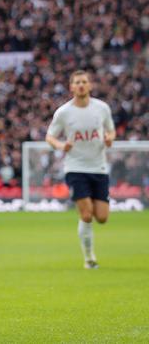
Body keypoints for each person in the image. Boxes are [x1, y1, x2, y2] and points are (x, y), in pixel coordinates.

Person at [46, 70, 115, 269]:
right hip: (75, 168)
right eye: (77, 82)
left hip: (99, 167)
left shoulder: (102, 108)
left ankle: (89, 253)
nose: (81, 85)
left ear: (90, 85)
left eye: (84, 82)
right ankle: (89, 258)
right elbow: (50, 136)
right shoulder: (63, 112)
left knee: (101, 217)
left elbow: (111, 129)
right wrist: (61, 146)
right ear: (71, 87)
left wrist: (110, 137)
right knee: (86, 215)